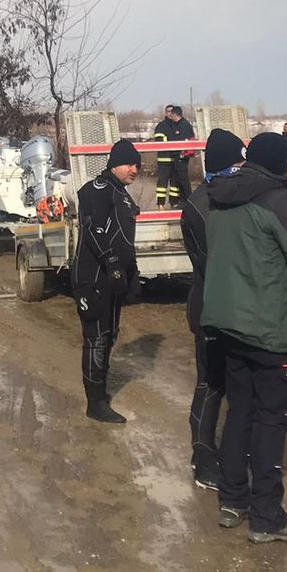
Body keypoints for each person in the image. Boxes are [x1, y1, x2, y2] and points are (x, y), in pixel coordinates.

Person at [201, 132, 287, 544]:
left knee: (240, 410)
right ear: (277, 164)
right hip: (273, 328)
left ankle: (233, 500)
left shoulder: (219, 197)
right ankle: (267, 517)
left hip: (231, 325)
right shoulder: (276, 199)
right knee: (272, 420)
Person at [180, 127, 246, 490]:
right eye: (238, 163)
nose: (242, 169)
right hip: (212, 308)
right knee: (211, 383)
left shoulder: (233, 198)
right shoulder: (201, 206)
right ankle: (203, 454)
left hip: (232, 307)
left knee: (233, 384)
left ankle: (231, 454)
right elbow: (216, 263)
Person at [71, 139, 141, 424]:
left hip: (113, 278)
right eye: (130, 164)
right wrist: (112, 264)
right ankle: (95, 403)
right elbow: (93, 230)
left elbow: (125, 238)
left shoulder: (121, 194)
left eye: (138, 164)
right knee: (97, 338)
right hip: (94, 276)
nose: (136, 169)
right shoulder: (96, 189)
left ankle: (100, 393)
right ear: (115, 164)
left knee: (109, 335)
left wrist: (132, 271)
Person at [152, 105, 196, 207]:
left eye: (172, 111)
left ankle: (174, 203)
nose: (170, 113)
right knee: (162, 183)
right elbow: (160, 140)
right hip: (164, 159)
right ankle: (161, 204)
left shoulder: (179, 124)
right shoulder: (161, 126)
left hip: (176, 159)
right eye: (168, 111)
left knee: (175, 183)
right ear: (165, 113)